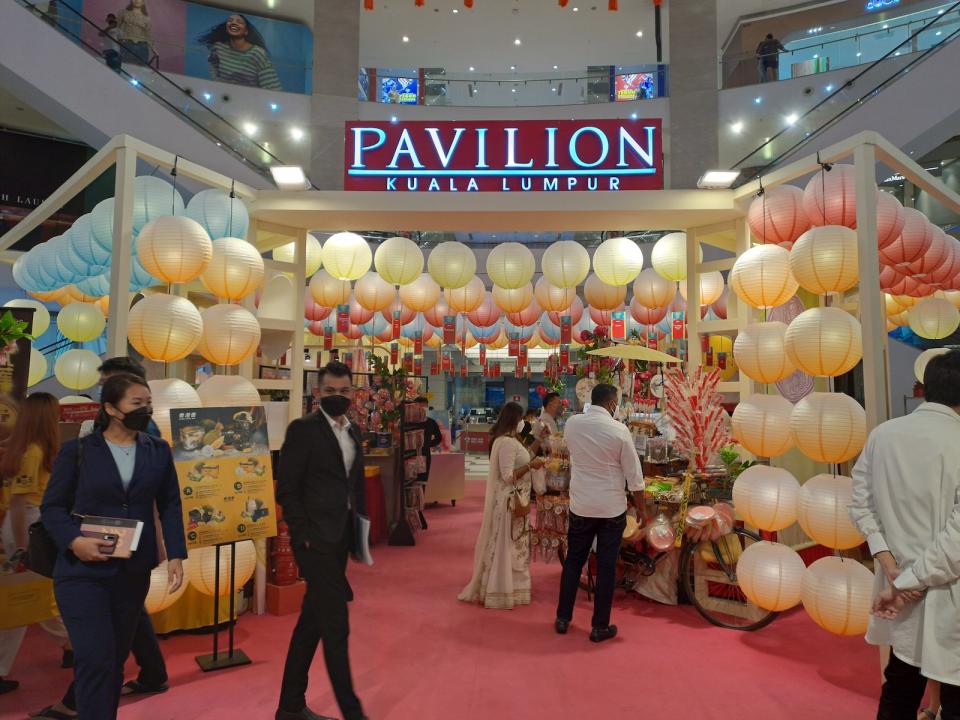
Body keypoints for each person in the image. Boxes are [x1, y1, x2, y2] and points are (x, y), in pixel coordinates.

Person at [40, 373, 186, 720]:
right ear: (110, 407)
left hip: (133, 572)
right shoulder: (78, 452)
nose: (146, 409)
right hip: (82, 573)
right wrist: (74, 541)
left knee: (116, 659)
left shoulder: (158, 450)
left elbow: (170, 503)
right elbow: (52, 508)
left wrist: (177, 552)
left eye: (148, 403)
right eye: (137, 403)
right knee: (96, 659)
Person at [849, 349, 960, 720]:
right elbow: (956, 542)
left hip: (899, 592)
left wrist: (891, 567)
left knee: (899, 689)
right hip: (946, 592)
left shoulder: (884, 435)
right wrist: (904, 580)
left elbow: (861, 504)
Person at [275, 361, 368, 720]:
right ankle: (353, 711)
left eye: (344, 391)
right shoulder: (303, 430)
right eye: (330, 391)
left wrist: (358, 535)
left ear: (352, 393)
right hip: (314, 543)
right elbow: (288, 488)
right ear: (317, 394)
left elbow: (351, 486)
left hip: (341, 539)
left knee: (310, 625)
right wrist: (302, 537)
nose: (337, 397)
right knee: (335, 626)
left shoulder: (353, 432)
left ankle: (290, 705)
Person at [555, 383, 644, 642]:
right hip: (610, 509)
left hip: (581, 505)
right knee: (606, 567)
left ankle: (563, 618)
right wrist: (641, 508)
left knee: (573, 561)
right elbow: (634, 476)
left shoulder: (572, 424)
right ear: (612, 403)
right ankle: (599, 626)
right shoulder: (619, 430)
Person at [0, 394, 72, 696]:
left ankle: (69, 646)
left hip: (26, 526)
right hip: (28, 528)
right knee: (31, 598)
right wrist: (22, 548)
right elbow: (20, 505)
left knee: (30, 597)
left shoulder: (25, 448)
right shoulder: (34, 451)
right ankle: (71, 645)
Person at [459, 402, 545, 610]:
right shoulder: (506, 442)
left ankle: (512, 587)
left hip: (516, 501)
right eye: (520, 419)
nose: (523, 422)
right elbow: (507, 476)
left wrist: (535, 447)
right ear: (513, 420)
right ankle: (502, 588)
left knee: (513, 545)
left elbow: (523, 456)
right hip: (510, 502)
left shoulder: (510, 440)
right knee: (507, 545)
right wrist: (530, 466)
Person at [198, 14, 282, 90]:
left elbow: (272, 87)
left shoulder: (257, 53)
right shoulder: (219, 47)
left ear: (246, 31)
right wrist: (217, 82)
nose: (234, 23)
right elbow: (213, 63)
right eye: (230, 20)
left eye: (239, 22)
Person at [116, 0, 152, 65]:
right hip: (127, 43)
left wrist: (153, 49)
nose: (137, 0)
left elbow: (148, 35)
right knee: (125, 66)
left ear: (143, 2)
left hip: (142, 46)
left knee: (142, 70)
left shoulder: (147, 18)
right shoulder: (123, 12)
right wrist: (119, 38)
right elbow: (116, 26)